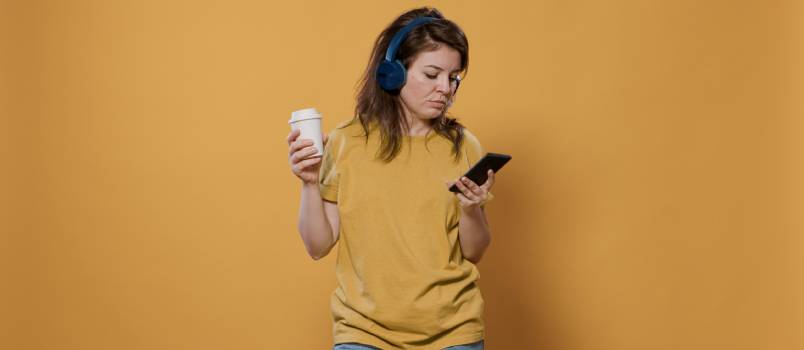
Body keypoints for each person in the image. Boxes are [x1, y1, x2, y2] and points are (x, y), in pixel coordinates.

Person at [287, 7, 495, 350]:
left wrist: (471, 209)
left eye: (453, 77)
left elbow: (474, 252)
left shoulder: (464, 148)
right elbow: (317, 245)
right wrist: (309, 182)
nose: (445, 88)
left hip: (453, 332)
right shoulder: (346, 142)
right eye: (432, 74)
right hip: (363, 332)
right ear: (393, 72)